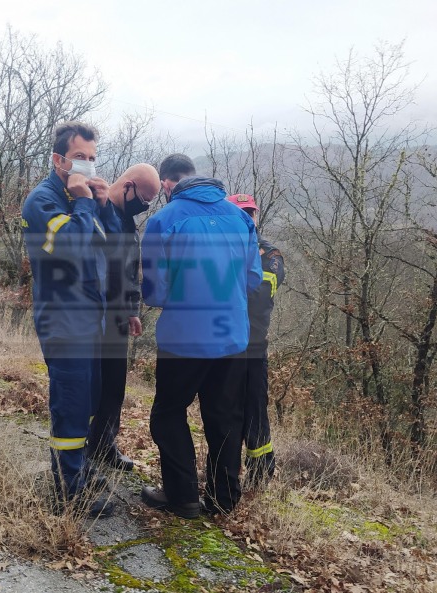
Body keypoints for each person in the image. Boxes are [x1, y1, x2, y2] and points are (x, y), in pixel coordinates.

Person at [140, 154, 262, 518]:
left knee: (169, 413)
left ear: (167, 184)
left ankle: (182, 498)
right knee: (224, 417)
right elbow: (253, 279)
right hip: (232, 338)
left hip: (183, 340)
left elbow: (155, 291)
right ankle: (224, 500)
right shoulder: (240, 218)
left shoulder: (163, 221)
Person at [21, 121, 121, 518]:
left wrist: (102, 202)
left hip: (90, 318)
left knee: (91, 400)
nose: (88, 165)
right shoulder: (42, 201)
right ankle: (68, 492)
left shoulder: (84, 197)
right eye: (81, 157)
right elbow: (71, 249)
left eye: (93, 159)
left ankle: (78, 469)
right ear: (58, 159)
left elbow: (113, 244)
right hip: (63, 321)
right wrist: (81, 203)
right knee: (72, 404)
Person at [88, 164, 161, 472]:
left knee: (114, 385)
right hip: (94, 316)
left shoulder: (128, 223)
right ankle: (79, 450)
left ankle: (105, 445)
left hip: (118, 316)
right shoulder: (96, 212)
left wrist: (132, 309)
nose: (144, 206)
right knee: (91, 385)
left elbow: (130, 271)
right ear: (128, 186)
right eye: (143, 199)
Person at [226, 194, 285, 488]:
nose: (247, 218)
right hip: (224, 344)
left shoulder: (269, 254)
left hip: (252, 345)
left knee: (255, 410)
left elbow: (260, 294)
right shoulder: (224, 248)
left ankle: (262, 471)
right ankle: (226, 470)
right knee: (226, 409)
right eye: (241, 213)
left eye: (251, 213)